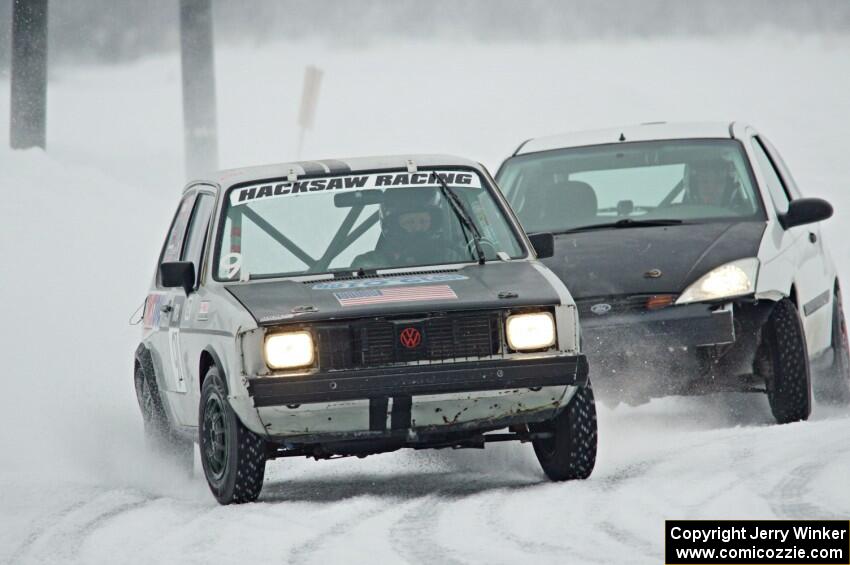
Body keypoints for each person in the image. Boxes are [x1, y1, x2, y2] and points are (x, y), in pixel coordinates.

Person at [351, 187, 463, 269]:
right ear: (394, 227)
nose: (418, 227)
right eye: (409, 222)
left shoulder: (451, 258)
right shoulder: (368, 265)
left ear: (433, 223)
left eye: (423, 221)